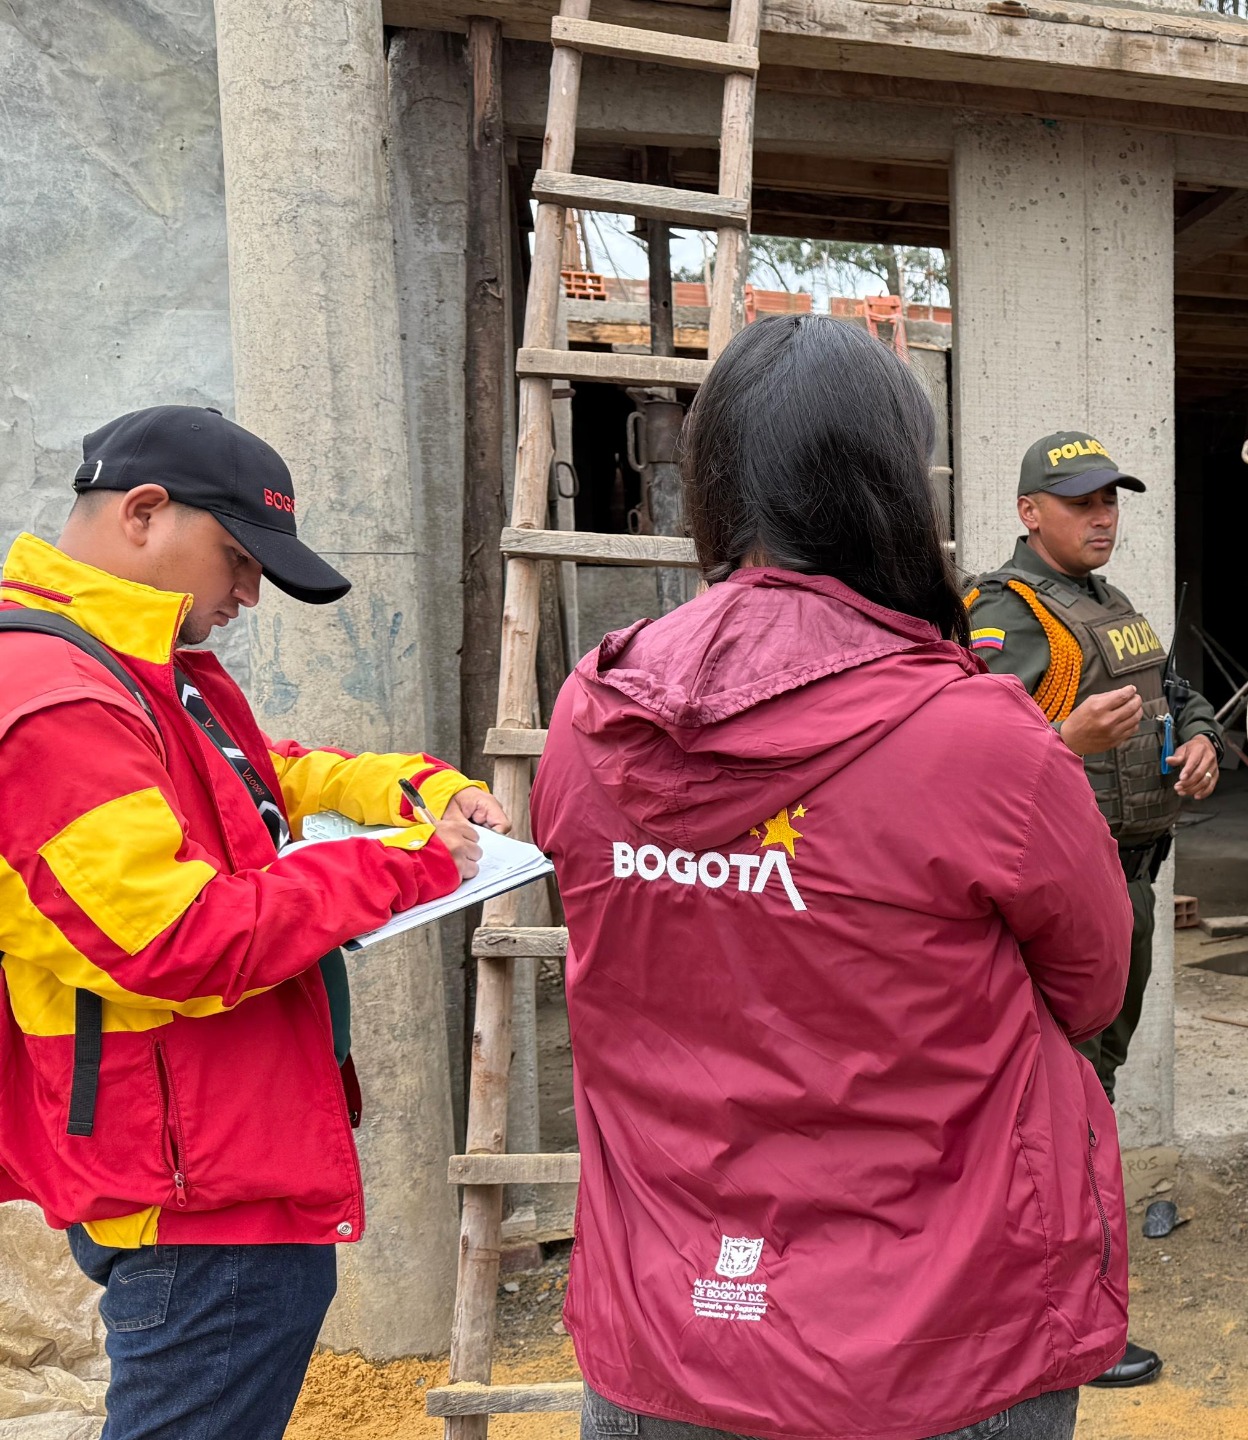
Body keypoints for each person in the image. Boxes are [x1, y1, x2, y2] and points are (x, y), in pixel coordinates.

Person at [533, 317, 1134, 1440]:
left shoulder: (590, 710)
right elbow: (1091, 989)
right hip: (937, 1339)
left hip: (670, 1323)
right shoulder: (978, 736)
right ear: (896, 487)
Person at [0, 406, 500, 1440]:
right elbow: (170, 940)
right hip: (190, 1186)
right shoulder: (56, 700)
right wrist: (401, 870)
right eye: (235, 558)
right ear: (145, 514)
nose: (247, 595)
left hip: (215, 1152)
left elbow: (258, 779)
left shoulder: (123, 668)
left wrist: (405, 788)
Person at [962, 428, 1218, 1388]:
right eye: (1082, 503)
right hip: (1064, 895)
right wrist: (1062, 739)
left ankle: (1061, 1305)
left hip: (1129, 879)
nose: (1104, 517)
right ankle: (1053, 1319)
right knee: (1057, 1107)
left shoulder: (1110, 606)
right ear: (1031, 513)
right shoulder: (1002, 609)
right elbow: (973, 750)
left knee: (1086, 1095)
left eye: (1112, 500)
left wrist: (1195, 741)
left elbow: (1178, 691)